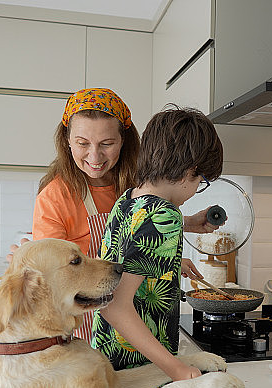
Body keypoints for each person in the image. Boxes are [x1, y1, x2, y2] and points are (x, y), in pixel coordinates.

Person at [23, 87, 218, 340]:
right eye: (82, 143)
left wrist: (180, 233)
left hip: (140, 323)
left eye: (107, 143)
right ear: (67, 140)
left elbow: (135, 232)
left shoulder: (134, 182)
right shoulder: (55, 197)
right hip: (87, 325)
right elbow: (57, 278)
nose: (95, 156)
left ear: (124, 140)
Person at [93, 105, 224, 388]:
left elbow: (128, 256)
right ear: (189, 171)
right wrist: (175, 369)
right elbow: (114, 306)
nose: (196, 189)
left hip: (110, 363)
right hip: (143, 370)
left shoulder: (129, 200)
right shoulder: (164, 216)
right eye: (200, 181)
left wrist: (180, 240)